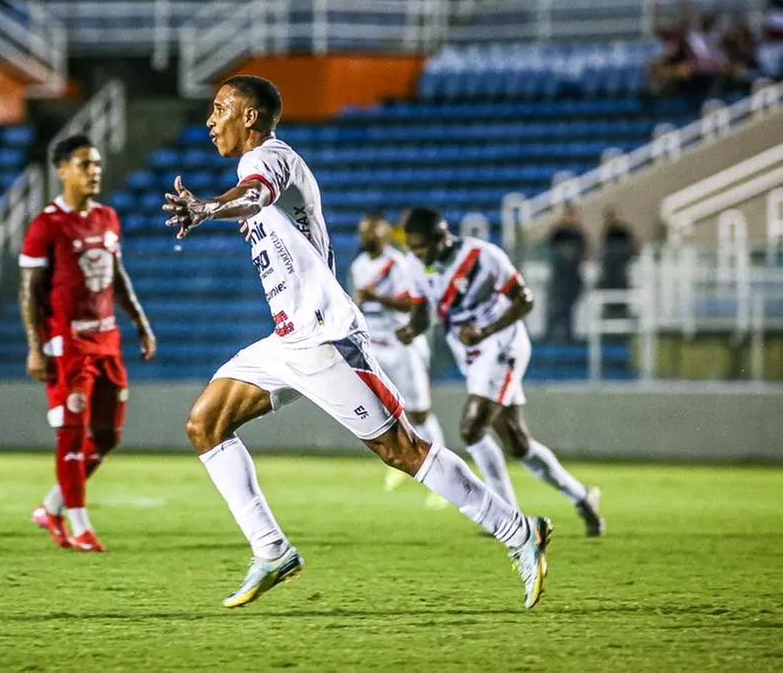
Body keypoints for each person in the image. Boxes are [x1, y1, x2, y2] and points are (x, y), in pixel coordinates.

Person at [162, 75, 553, 610]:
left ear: (249, 116)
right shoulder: (257, 166)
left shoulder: (270, 158)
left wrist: (207, 208)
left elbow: (254, 194)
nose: (210, 120)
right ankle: (271, 549)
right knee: (205, 423)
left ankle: (518, 531)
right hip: (289, 341)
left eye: (219, 108)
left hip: (326, 338)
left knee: (402, 450)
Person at [396, 208, 605, 537]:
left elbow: (524, 300)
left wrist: (485, 330)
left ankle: (506, 517)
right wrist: (411, 330)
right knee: (517, 443)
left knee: (471, 429)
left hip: (502, 345)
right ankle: (582, 496)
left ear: (440, 238)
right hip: (471, 353)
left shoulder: (483, 256)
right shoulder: (415, 264)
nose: (416, 253)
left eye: (420, 246)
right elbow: (422, 314)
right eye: (411, 247)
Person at [20, 134, 157, 553]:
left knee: (107, 436)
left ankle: (51, 507)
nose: (94, 171)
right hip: (69, 344)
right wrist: (35, 346)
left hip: (107, 340)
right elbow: (30, 292)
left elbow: (116, 275)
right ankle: (79, 524)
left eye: (96, 164)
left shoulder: (107, 218)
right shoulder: (46, 225)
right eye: (84, 164)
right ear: (62, 170)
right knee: (72, 434)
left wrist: (140, 322)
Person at [349, 214, 449, 507]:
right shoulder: (358, 266)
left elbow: (410, 304)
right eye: (363, 231)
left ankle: (443, 476)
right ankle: (404, 459)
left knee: (419, 412)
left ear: (386, 235)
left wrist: (376, 297)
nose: (367, 236)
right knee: (385, 410)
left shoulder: (399, 264)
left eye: (372, 231)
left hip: (403, 345)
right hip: (374, 346)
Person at [545, 205, 587, 342]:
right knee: (556, 306)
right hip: (559, 277)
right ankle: (551, 334)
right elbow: (549, 247)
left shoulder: (578, 233)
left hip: (572, 277)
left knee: (570, 308)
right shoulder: (558, 232)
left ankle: (569, 335)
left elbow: (583, 252)